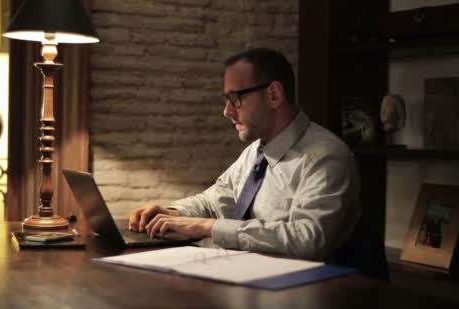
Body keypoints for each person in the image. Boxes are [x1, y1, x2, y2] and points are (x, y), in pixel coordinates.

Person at [128, 48, 360, 261]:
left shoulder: (326, 157)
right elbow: (215, 199)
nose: (227, 111)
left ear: (274, 95)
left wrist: (209, 227)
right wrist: (173, 213)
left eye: (235, 98)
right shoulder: (255, 152)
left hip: (304, 295)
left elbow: (309, 238)